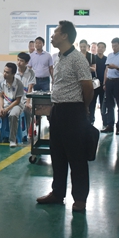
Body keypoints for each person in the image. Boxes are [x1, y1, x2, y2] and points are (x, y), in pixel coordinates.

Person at [36, 20, 93, 212]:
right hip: (58, 111)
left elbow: (88, 87)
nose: (52, 37)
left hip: (73, 112)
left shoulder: (78, 59)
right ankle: (57, 193)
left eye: (55, 33)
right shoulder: (59, 58)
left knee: (77, 157)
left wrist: (84, 108)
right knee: (57, 155)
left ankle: (80, 199)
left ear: (65, 35)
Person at [16, 52, 36, 128]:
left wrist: (28, 102)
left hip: (26, 98)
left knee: (27, 110)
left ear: (27, 63)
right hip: (15, 99)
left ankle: (27, 130)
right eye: (18, 60)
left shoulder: (31, 72)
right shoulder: (14, 72)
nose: (19, 62)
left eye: (21, 61)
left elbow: (30, 88)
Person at [91, 42, 107, 126]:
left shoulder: (106, 59)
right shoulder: (93, 58)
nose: (100, 48)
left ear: (105, 49)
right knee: (92, 102)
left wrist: (105, 83)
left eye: (102, 47)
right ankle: (91, 121)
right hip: (94, 84)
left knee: (103, 103)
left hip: (103, 84)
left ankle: (105, 122)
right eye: (99, 47)